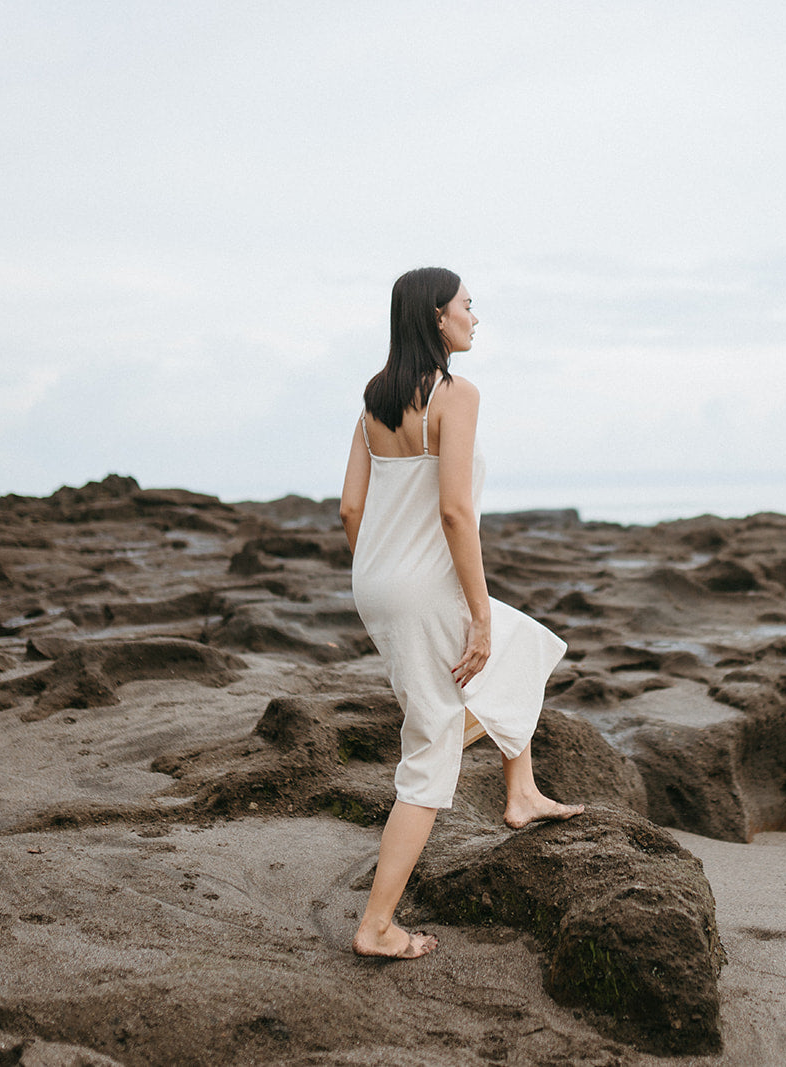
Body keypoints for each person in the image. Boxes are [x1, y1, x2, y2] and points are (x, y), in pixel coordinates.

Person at [340, 267, 584, 960]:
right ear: (437, 319)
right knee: (433, 746)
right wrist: (474, 610)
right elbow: (454, 510)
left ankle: (524, 790)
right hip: (422, 590)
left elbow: (350, 509)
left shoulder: (373, 399)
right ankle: (377, 925)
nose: (475, 319)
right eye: (468, 308)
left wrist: (385, 577)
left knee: (523, 646)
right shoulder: (456, 394)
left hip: (377, 582)